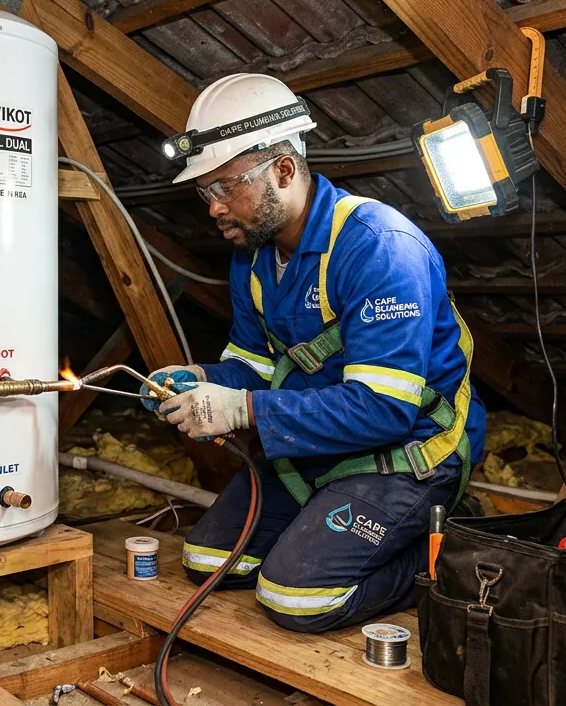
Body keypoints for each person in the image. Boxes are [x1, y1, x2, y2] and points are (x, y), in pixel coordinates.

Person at [143, 73, 486, 633]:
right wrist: (197, 378)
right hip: (316, 450)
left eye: (226, 187)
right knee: (207, 561)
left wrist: (243, 411)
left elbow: (384, 408)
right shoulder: (251, 258)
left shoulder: (379, 247)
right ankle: (328, 528)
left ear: (282, 169)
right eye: (205, 192)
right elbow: (251, 369)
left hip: (406, 454)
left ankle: (444, 549)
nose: (214, 208)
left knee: (295, 598)